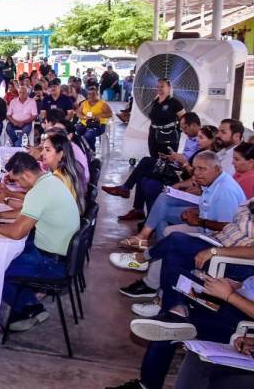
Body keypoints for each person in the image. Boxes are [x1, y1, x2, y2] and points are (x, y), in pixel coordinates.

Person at [107, 219, 254, 389]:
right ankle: (177, 311)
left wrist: (229, 295)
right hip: (231, 299)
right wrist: (236, 285)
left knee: (166, 327)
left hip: (237, 318)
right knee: (176, 277)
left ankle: (147, 384)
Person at [111, 151, 245, 294]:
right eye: (195, 169)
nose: (197, 173)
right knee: (162, 219)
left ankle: (146, 264)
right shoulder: (212, 181)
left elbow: (227, 227)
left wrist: (199, 221)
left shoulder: (225, 190)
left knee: (172, 236)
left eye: (202, 169)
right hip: (207, 228)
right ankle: (153, 280)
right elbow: (211, 208)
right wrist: (196, 212)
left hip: (218, 240)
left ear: (217, 169)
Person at [0, 152, 79, 331]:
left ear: (28, 175)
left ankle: (29, 308)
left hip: (53, 262)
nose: (18, 186)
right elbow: (28, 211)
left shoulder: (40, 191)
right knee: (10, 253)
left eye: (17, 181)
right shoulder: (50, 181)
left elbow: (16, 232)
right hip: (61, 253)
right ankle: (26, 299)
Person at [147, 78, 186, 158]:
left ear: (168, 87)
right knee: (154, 157)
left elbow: (184, 118)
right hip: (153, 134)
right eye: (158, 87)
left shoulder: (174, 102)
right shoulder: (155, 101)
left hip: (168, 137)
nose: (159, 88)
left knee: (167, 159)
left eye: (162, 86)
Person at [75, 85, 113, 149]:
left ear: (97, 94)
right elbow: (78, 113)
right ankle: (82, 149)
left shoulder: (103, 104)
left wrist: (99, 116)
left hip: (98, 125)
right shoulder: (84, 103)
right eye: (89, 94)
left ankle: (92, 149)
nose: (91, 96)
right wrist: (84, 117)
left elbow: (110, 114)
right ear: (87, 95)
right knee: (76, 132)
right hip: (85, 123)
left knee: (89, 135)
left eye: (93, 94)